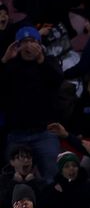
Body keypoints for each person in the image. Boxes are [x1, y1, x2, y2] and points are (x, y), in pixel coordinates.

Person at [0, 26, 65, 180]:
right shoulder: (11, 65)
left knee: (52, 177)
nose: (29, 46)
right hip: (17, 134)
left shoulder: (49, 62)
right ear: (17, 45)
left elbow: (57, 80)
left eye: (32, 41)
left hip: (44, 132)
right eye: (24, 42)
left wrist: (41, 60)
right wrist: (4, 60)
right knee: (12, 178)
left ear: (39, 43)